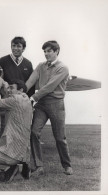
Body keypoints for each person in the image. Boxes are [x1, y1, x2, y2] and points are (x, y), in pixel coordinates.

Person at [25, 40, 73, 176]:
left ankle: (67, 166)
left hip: (56, 104)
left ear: (56, 51)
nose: (46, 54)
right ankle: (39, 166)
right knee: (34, 132)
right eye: (44, 51)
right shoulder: (40, 66)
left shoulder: (63, 68)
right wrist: (22, 92)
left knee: (59, 137)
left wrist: (34, 97)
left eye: (49, 51)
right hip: (41, 105)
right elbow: (30, 81)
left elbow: (50, 86)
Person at [0, 37, 35, 144]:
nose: (16, 48)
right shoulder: (3, 61)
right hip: (7, 102)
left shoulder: (28, 64)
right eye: (13, 45)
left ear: (23, 48)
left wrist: (30, 103)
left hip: (21, 104)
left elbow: (30, 87)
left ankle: (18, 157)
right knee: (4, 130)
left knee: (20, 131)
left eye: (19, 46)